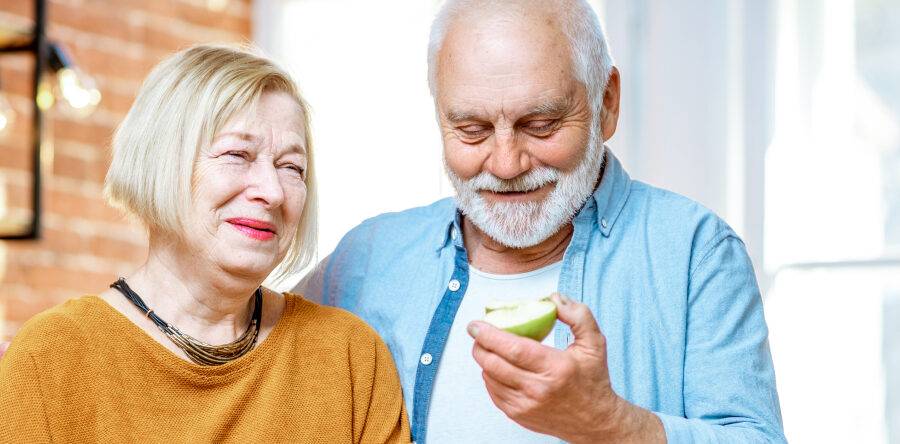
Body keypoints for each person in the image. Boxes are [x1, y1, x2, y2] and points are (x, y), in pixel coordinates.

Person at [296, 1, 786, 443]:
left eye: (542, 125)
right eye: (472, 129)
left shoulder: (695, 252)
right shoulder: (365, 257)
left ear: (607, 103)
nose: (506, 165)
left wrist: (610, 424)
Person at [0, 45, 410, 443]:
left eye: (291, 167)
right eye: (237, 154)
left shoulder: (351, 356)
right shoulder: (51, 358)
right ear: (158, 163)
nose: (273, 191)